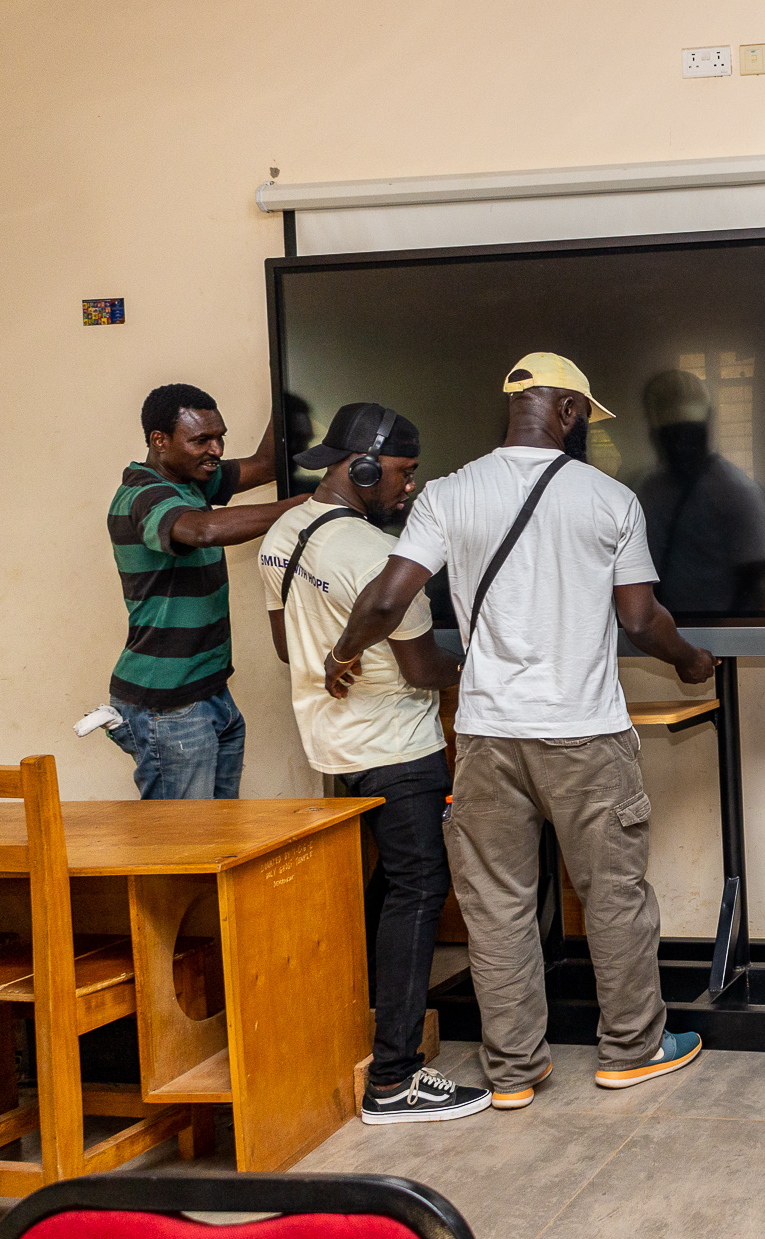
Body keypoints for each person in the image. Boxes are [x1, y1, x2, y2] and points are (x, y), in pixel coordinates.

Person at [324, 354, 717, 1109]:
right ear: (566, 410)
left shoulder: (447, 494)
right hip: (585, 734)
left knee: (498, 905)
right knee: (614, 897)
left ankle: (512, 1071)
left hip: (486, 736)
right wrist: (691, 659)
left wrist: (344, 652)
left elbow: (385, 600)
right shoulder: (610, 499)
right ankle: (632, 1049)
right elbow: (640, 619)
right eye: (585, 416)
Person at [258, 402, 490, 1126]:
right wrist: (480, 665)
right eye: (403, 471)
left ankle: (355, 1032)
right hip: (399, 749)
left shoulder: (284, 533)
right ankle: (393, 1079)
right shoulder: (380, 558)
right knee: (418, 894)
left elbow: (285, 647)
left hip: (335, 749)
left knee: (385, 890)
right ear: (361, 468)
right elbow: (422, 670)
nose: (410, 487)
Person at [104, 383, 307, 799]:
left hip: (208, 691)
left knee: (218, 831)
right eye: (201, 440)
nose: (215, 450)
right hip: (168, 704)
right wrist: (304, 506)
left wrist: (288, 384)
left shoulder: (192, 480)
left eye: (219, 438)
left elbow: (266, 464)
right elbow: (204, 530)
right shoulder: (144, 495)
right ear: (159, 441)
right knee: (184, 836)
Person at [633, 369, 765, 615]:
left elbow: (754, 587)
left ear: (706, 428)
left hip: (715, 631)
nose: (681, 445)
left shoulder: (739, 493)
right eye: (672, 435)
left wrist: (725, 635)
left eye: (690, 434)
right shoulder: (647, 490)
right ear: (656, 436)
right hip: (658, 629)